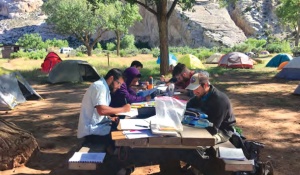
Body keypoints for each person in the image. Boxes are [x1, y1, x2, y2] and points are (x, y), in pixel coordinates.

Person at [77, 68, 131, 150]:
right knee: (122, 135)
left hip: (97, 127)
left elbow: (97, 112)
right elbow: (102, 110)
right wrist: (123, 109)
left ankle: (114, 154)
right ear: (111, 78)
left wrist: (109, 118)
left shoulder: (104, 87)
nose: (119, 87)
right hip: (91, 132)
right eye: (119, 83)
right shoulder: (99, 87)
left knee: (121, 129)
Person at [185, 72, 236, 143]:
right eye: (192, 89)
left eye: (196, 88)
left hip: (221, 131)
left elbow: (213, 129)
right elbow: (186, 109)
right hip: (203, 126)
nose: (194, 92)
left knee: (198, 143)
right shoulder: (199, 96)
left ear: (205, 85)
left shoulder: (219, 101)